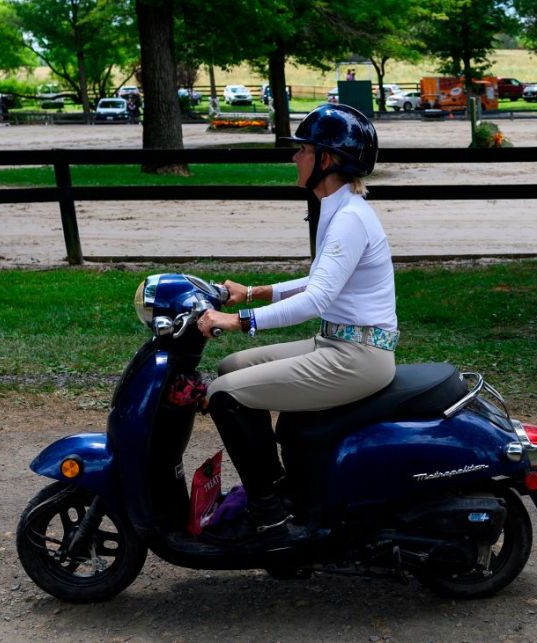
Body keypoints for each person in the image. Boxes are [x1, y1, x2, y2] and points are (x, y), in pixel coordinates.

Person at [196, 104, 398, 544]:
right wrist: (254, 292)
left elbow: (317, 299)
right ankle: (282, 492)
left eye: (303, 150)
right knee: (231, 369)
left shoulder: (347, 218)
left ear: (326, 160)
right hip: (339, 344)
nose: (295, 158)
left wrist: (237, 320)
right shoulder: (339, 208)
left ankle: (268, 514)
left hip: (357, 357)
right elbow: (321, 280)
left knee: (224, 397)